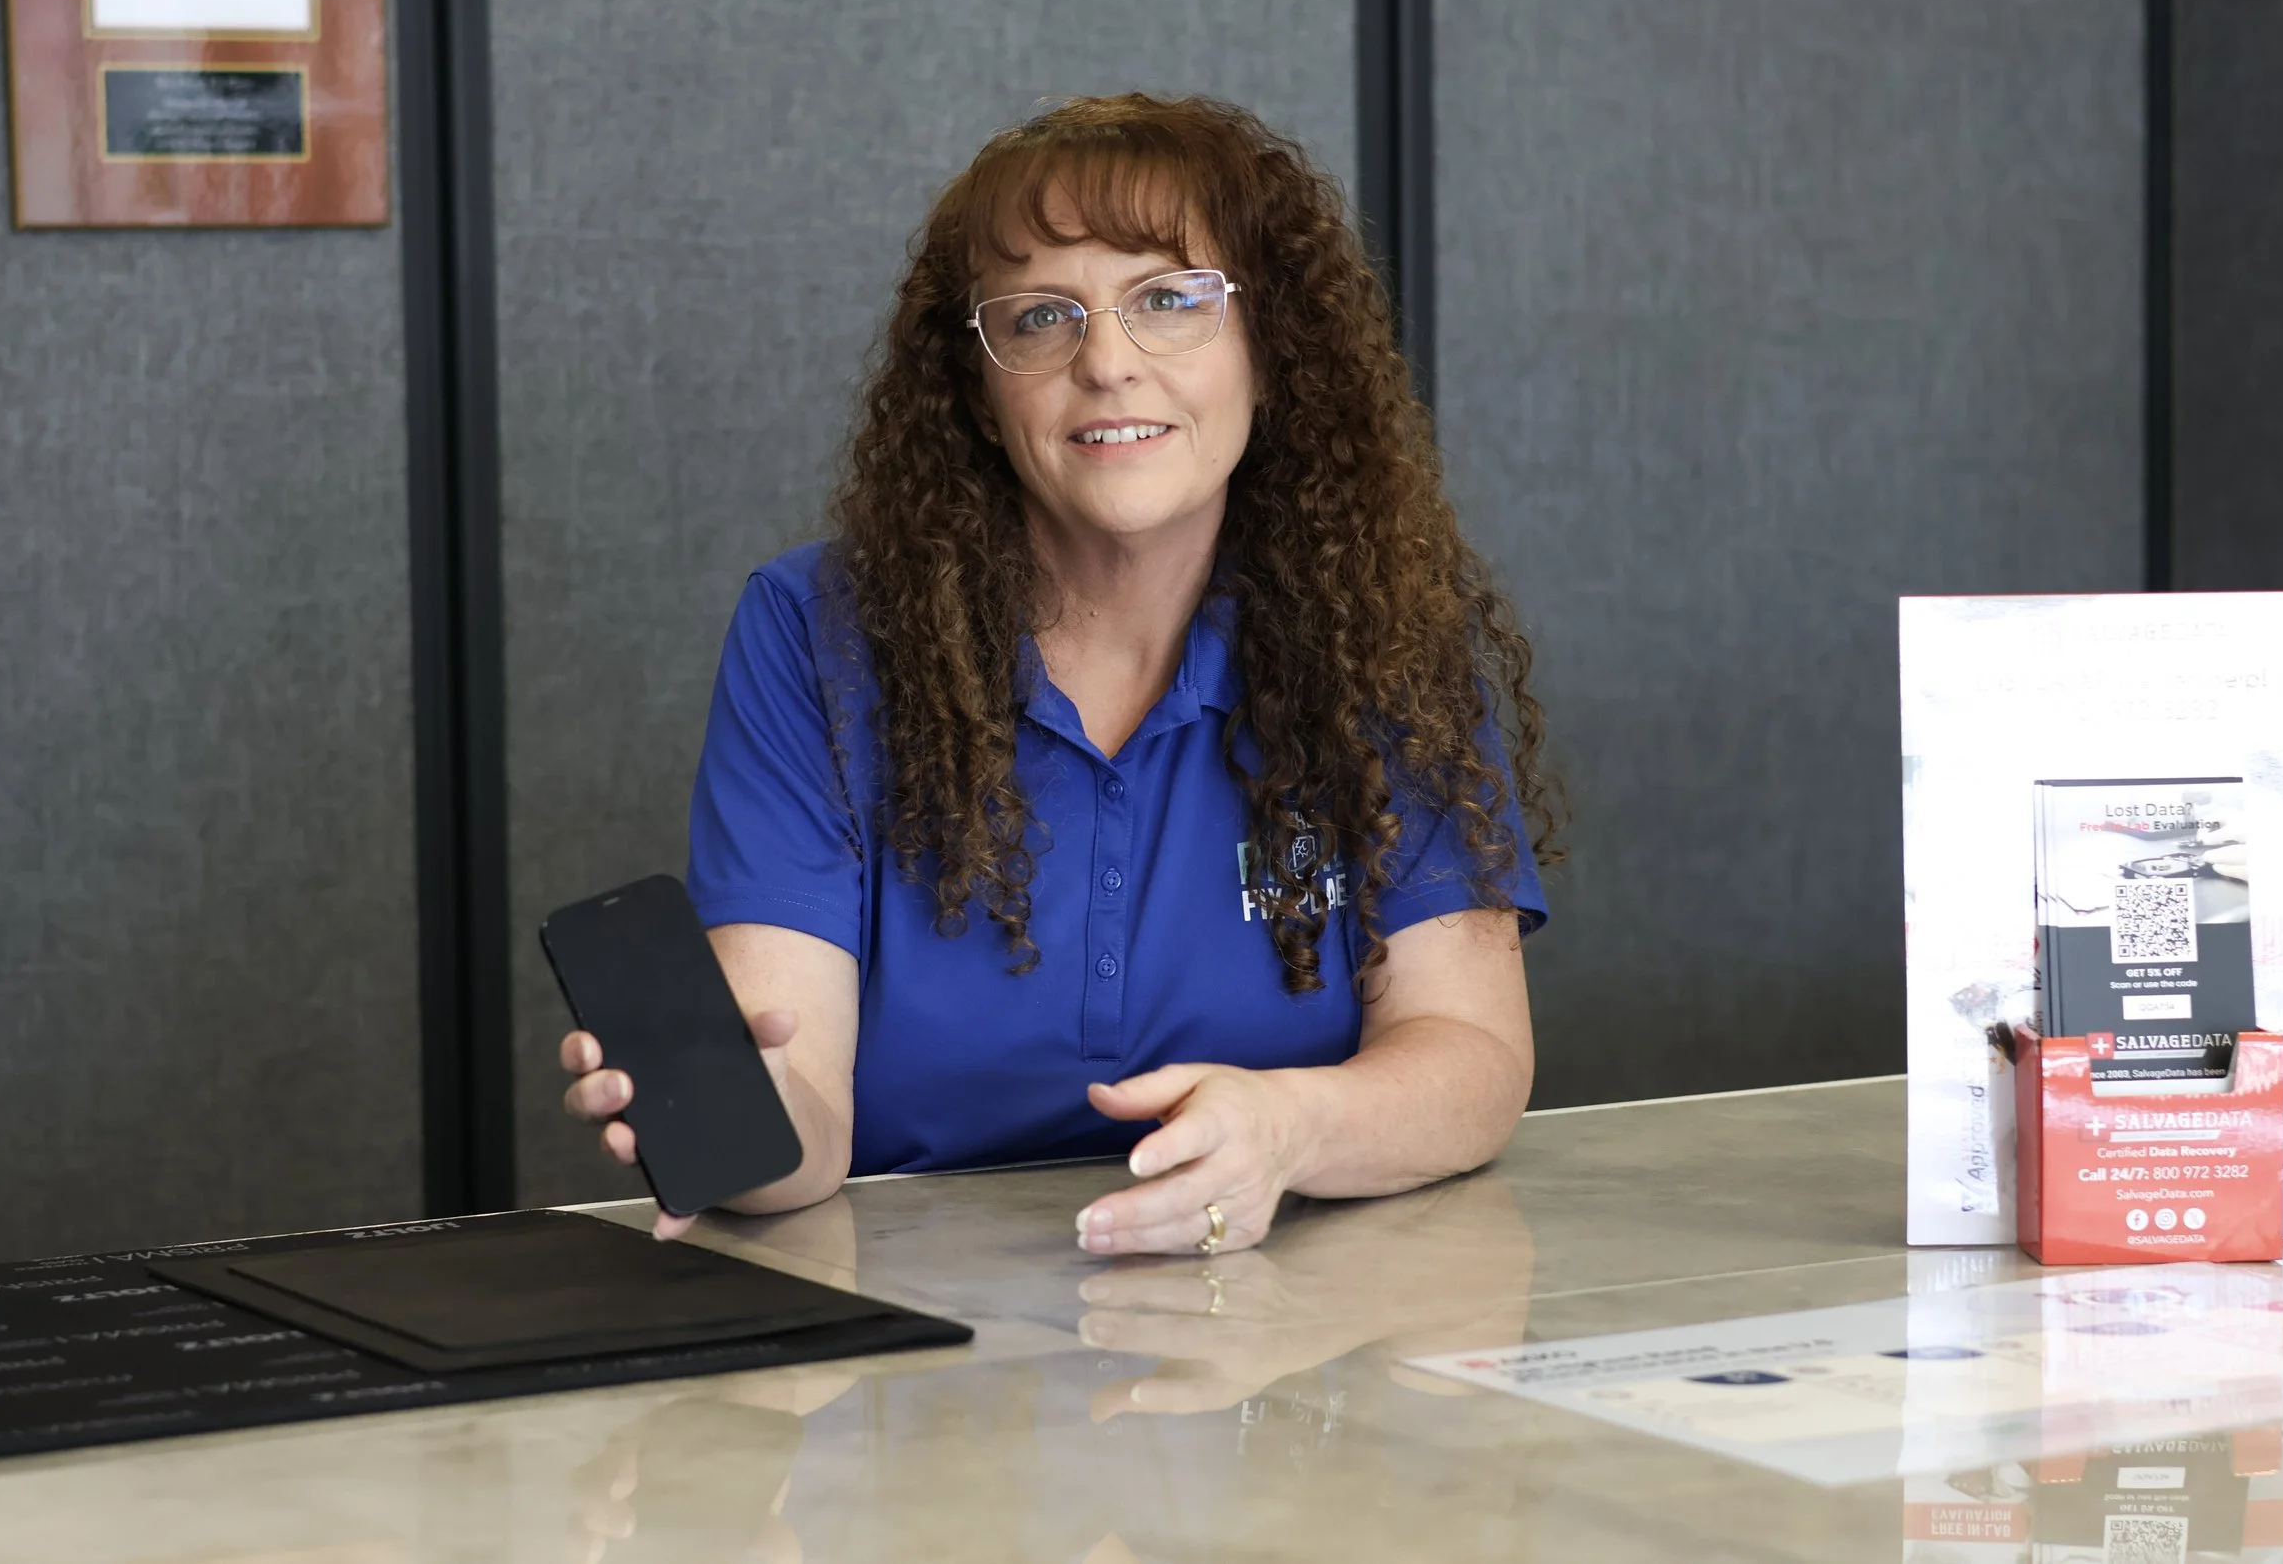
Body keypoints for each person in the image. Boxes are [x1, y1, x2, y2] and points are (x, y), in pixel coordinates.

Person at [561, 93, 1560, 1257]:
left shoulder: (1379, 631)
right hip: (916, 1359)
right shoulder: (815, 633)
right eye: (1039, 317)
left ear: (1270, 351)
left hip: (1292, 1328)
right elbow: (802, 1122)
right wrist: (728, 1110)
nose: (1106, 364)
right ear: (980, 398)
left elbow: (1473, 1054)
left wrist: (1294, 1127)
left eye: (1169, 301)